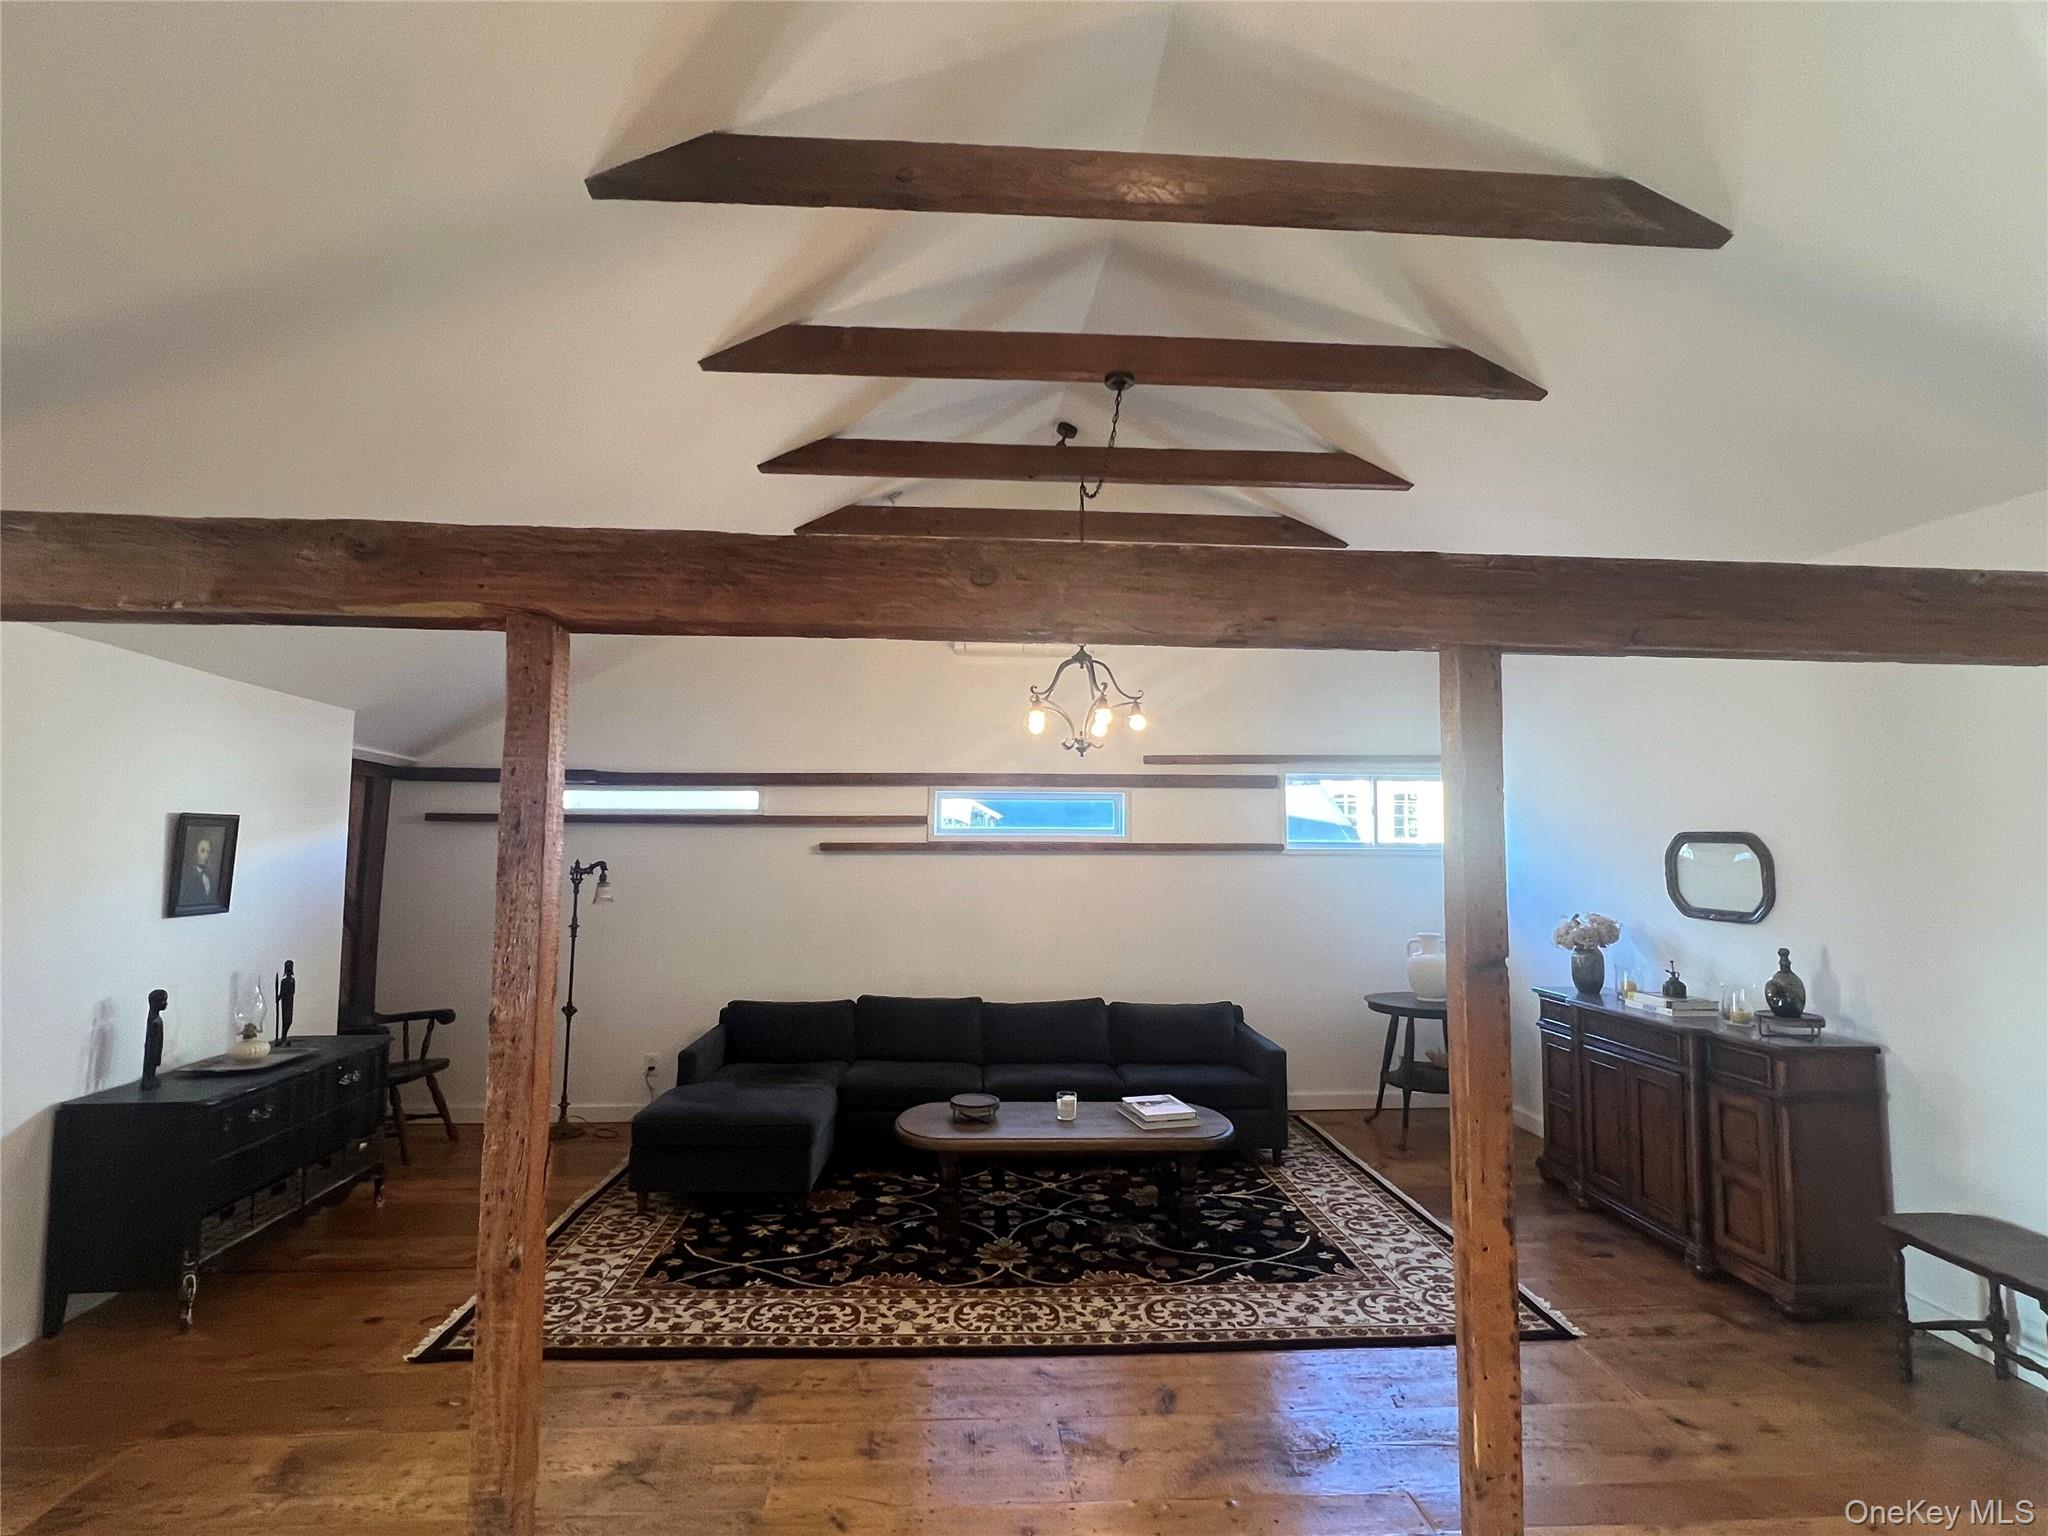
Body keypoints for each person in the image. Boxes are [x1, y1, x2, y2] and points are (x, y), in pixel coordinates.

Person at [179, 834, 217, 906]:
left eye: (208, 852)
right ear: (194, 853)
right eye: (202, 851)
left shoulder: (209, 875)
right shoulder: (187, 875)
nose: (206, 856)